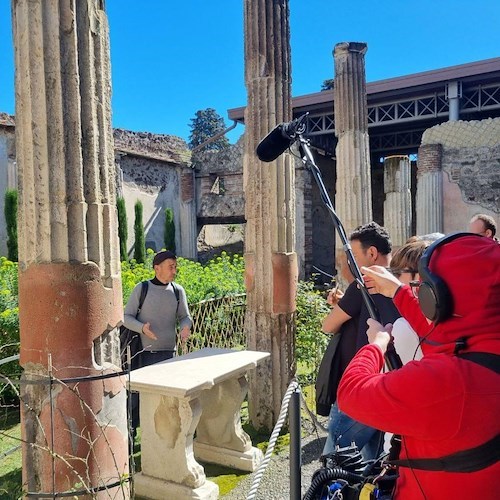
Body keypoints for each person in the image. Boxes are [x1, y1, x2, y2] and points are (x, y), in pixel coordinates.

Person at [338, 234, 500, 499]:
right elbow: (445, 338)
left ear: (437, 298)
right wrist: (399, 292)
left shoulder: (450, 380)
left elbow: (352, 392)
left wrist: (377, 345)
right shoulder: (482, 348)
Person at [321, 222, 400, 461]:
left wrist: (344, 303)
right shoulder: (401, 287)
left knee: (335, 462)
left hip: (360, 385)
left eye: (353, 255)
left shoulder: (363, 285)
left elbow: (327, 325)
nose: (349, 262)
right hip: (390, 386)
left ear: (372, 254)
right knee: (372, 461)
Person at [123, 250, 193, 437]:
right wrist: (142, 328)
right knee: (136, 401)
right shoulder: (142, 288)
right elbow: (126, 317)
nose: (174, 271)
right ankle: (130, 441)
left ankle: (164, 438)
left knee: (166, 401)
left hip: (168, 356)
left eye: (175, 267)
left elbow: (185, 316)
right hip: (142, 356)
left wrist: (186, 327)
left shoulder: (178, 291)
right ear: (157, 268)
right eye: (171, 267)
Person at [387, 239, 430, 364]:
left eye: (398, 272)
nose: (393, 278)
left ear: (419, 276)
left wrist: (378, 343)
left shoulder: (404, 327)